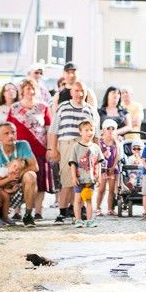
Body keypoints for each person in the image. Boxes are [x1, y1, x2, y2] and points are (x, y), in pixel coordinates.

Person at [48, 81, 100, 224]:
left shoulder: (90, 110)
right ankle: (62, 212)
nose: (80, 94)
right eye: (76, 90)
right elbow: (53, 130)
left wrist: (96, 152)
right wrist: (53, 149)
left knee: (84, 179)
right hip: (66, 144)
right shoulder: (63, 107)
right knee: (67, 179)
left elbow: (96, 133)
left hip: (85, 147)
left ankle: (79, 210)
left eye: (82, 91)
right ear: (71, 92)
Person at [7, 78, 51, 220]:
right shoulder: (14, 108)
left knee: (40, 181)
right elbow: (8, 128)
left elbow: (49, 129)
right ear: (22, 91)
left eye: (33, 89)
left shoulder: (43, 107)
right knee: (17, 178)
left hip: (39, 149)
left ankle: (38, 211)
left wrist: (50, 148)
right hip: (19, 150)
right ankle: (17, 211)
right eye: (27, 89)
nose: (30, 91)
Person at [68, 120, 104, 228]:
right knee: (78, 200)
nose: (89, 132)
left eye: (91, 130)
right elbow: (73, 163)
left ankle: (89, 220)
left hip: (90, 179)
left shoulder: (96, 147)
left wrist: (99, 176)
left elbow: (98, 163)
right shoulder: (76, 147)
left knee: (89, 199)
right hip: (79, 179)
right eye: (86, 130)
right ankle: (78, 220)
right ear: (80, 132)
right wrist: (74, 177)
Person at [96, 118, 120, 217]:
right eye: (108, 128)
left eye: (113, 129)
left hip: (112, 168)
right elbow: (97, 156)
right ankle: (98, 208)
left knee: (111, 190)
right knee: (101, 189)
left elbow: (117, 155)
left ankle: (110, 209)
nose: (110, 131)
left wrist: (113, 167)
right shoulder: (100, 142)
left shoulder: (115, 142)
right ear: (103, 130)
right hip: (102, 169)